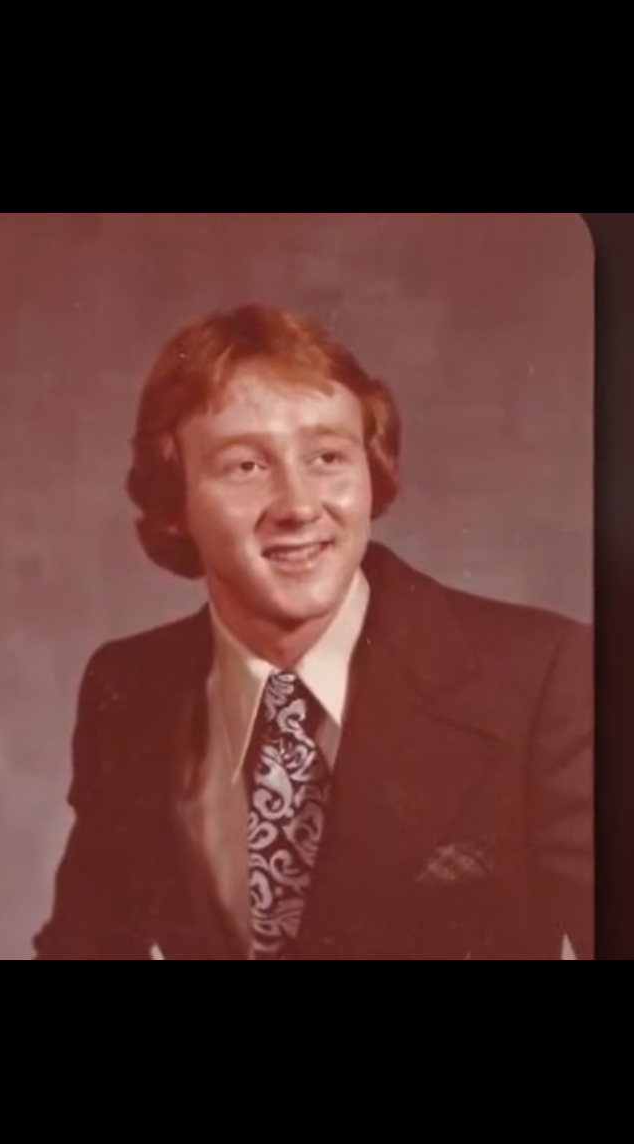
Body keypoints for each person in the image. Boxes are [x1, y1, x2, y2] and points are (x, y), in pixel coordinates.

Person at [33, 305, 593, 962]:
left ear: (369, 470)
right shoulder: (128, 688)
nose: (299, 506)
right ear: (175, 500)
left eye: (327, 456)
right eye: (245, 466)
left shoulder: (542, 674)